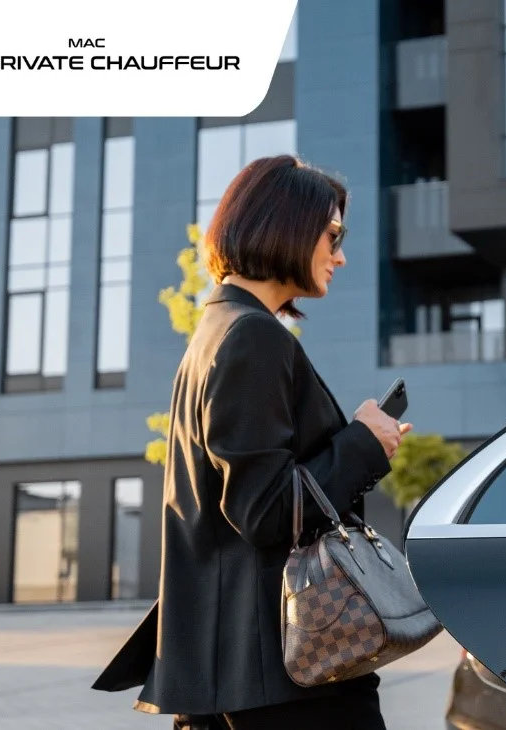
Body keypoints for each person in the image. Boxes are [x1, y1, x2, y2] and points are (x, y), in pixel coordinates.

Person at [106, 155, 410, 729]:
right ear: (286, 224)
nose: (340, 255)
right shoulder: (252, 337)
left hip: (241, 676)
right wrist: (365, 442)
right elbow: (266, 511)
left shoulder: (218, 331)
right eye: (333, 234)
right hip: (280, 681)